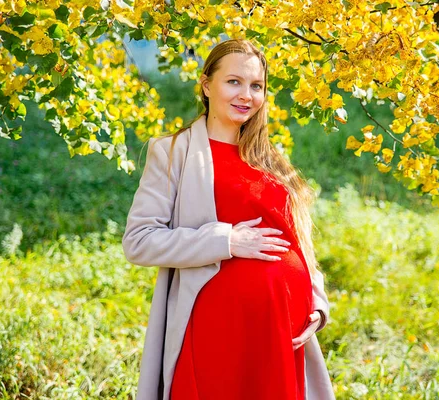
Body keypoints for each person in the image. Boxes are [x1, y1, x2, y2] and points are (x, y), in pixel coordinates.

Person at [122, 39, 335, 400]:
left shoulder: (270, 158)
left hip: (281, 332)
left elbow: (295, 239)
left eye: (256, 86)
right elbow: (139, 241)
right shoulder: (173, 152)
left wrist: (316, 302)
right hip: (217, 330)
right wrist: (226, 241)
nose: (246, 95)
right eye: (233, 82)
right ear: (206, 85)